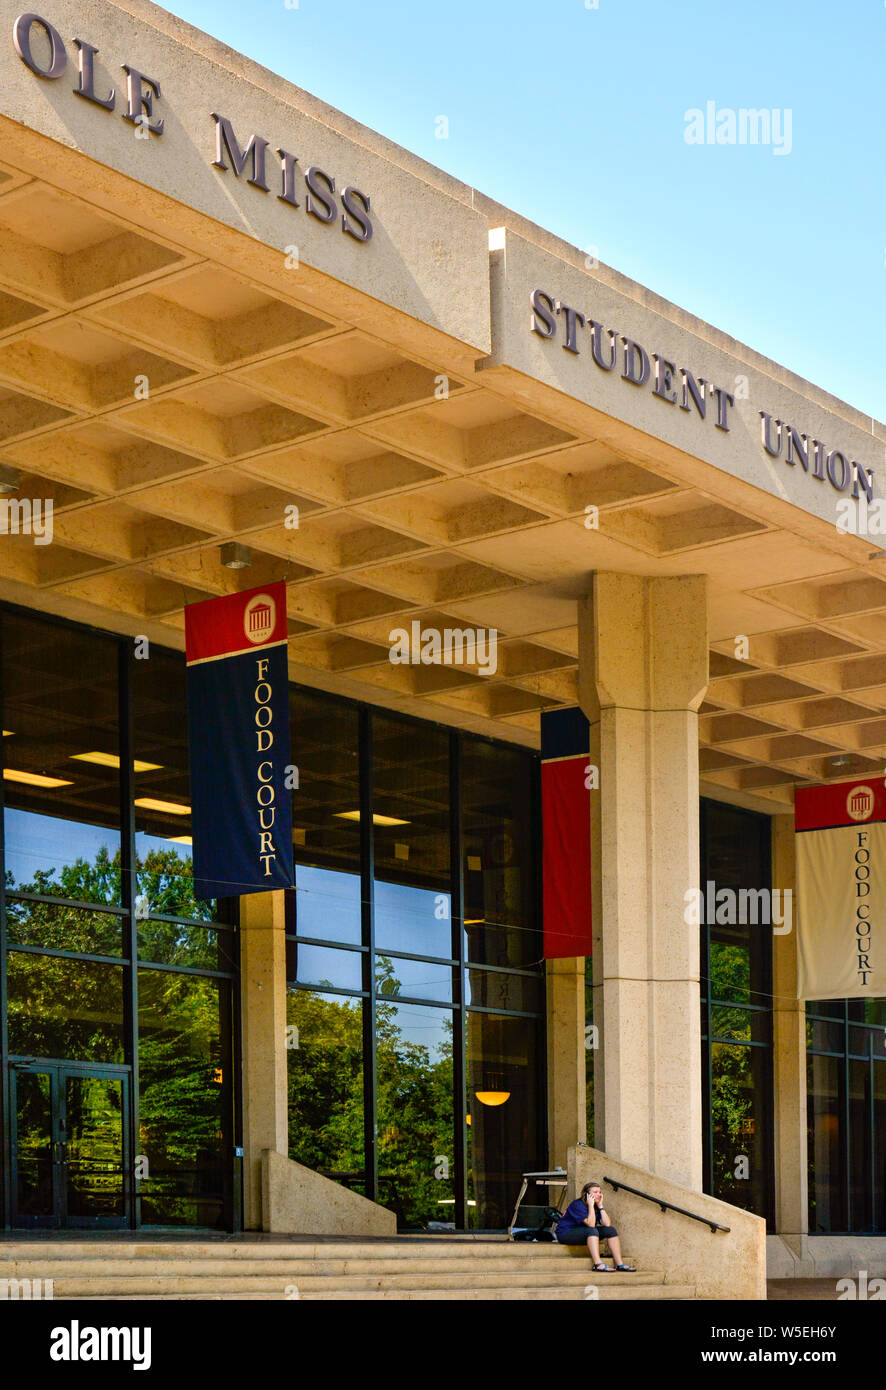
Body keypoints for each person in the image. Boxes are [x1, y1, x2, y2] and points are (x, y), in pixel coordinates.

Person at [555, 1181, 635, 1270]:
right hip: (566, 1233)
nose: (599, 1195)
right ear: (587, 1195)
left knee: (611, 1230)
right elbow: (591, 1224)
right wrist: (590, 1206)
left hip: (584, 1233)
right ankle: (598, 1264)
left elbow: (607, 1224)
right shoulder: (577, 1205)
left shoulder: (596, 1206)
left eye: (600, 1192)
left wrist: (600, 1206)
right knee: (592, 1230)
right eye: (595, 1192)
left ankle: (619, 1264)